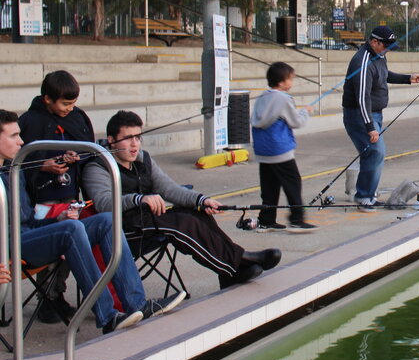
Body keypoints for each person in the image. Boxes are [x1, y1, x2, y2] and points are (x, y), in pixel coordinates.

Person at [0, 110, 184, 334]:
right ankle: (108, 316)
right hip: (8, 246)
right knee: (71, 229)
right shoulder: (13, 169)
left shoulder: (12, 169)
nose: (21, 141)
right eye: (14, 136)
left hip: (27, 235)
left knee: (106, 221)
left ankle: (137, 304)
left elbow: (27, 221)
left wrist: (57, 219)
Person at [83, 111, 280, 289]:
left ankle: (229, 270)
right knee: (182, 223)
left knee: (195, 212)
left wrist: (201, 200)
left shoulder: (142, 159)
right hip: (123, 230)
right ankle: (239, 262)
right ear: (111, 140)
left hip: (148, 220)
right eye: (128, 138)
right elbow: (104, 204)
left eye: (138, 137)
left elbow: (169, 188)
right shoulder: (97, 167)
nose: (135, 144)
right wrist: (139, 199)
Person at [17, 70, 96, 322]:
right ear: (47, 99)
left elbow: (89, 149)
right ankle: (47, 299)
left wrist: (75, 156)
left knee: (69, 250)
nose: (69, 109)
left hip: (69, 194)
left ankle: (57, 293)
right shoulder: (30, 121)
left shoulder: (77, 117)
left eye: (73, 103)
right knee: (50, 251)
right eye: (65, 104)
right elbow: (18, 161)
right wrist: (43, 165)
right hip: (42, 199)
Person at [341, 26, 419, 211]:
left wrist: (407, 78)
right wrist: (370, 126)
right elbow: (362, 98)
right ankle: (364, 197)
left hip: (375, 113)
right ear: (374, 42)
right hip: (359, 115)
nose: (388, 50)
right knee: (376, 152)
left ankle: (368, 194)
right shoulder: (362, 61)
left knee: (374, 154)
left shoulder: (379, 55)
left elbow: (384, 75)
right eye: (386, 46)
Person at [251, 62, 314, 232]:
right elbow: (296, 122)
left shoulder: (262, 97)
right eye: (290, 79)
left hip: (263, 150)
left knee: (269, 186)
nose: (291, 82)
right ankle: (297, 220)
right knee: (293, 183)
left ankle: (266, 220)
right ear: (281, 82)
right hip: (279, 150)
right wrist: (305, 111)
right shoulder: (284, 99)